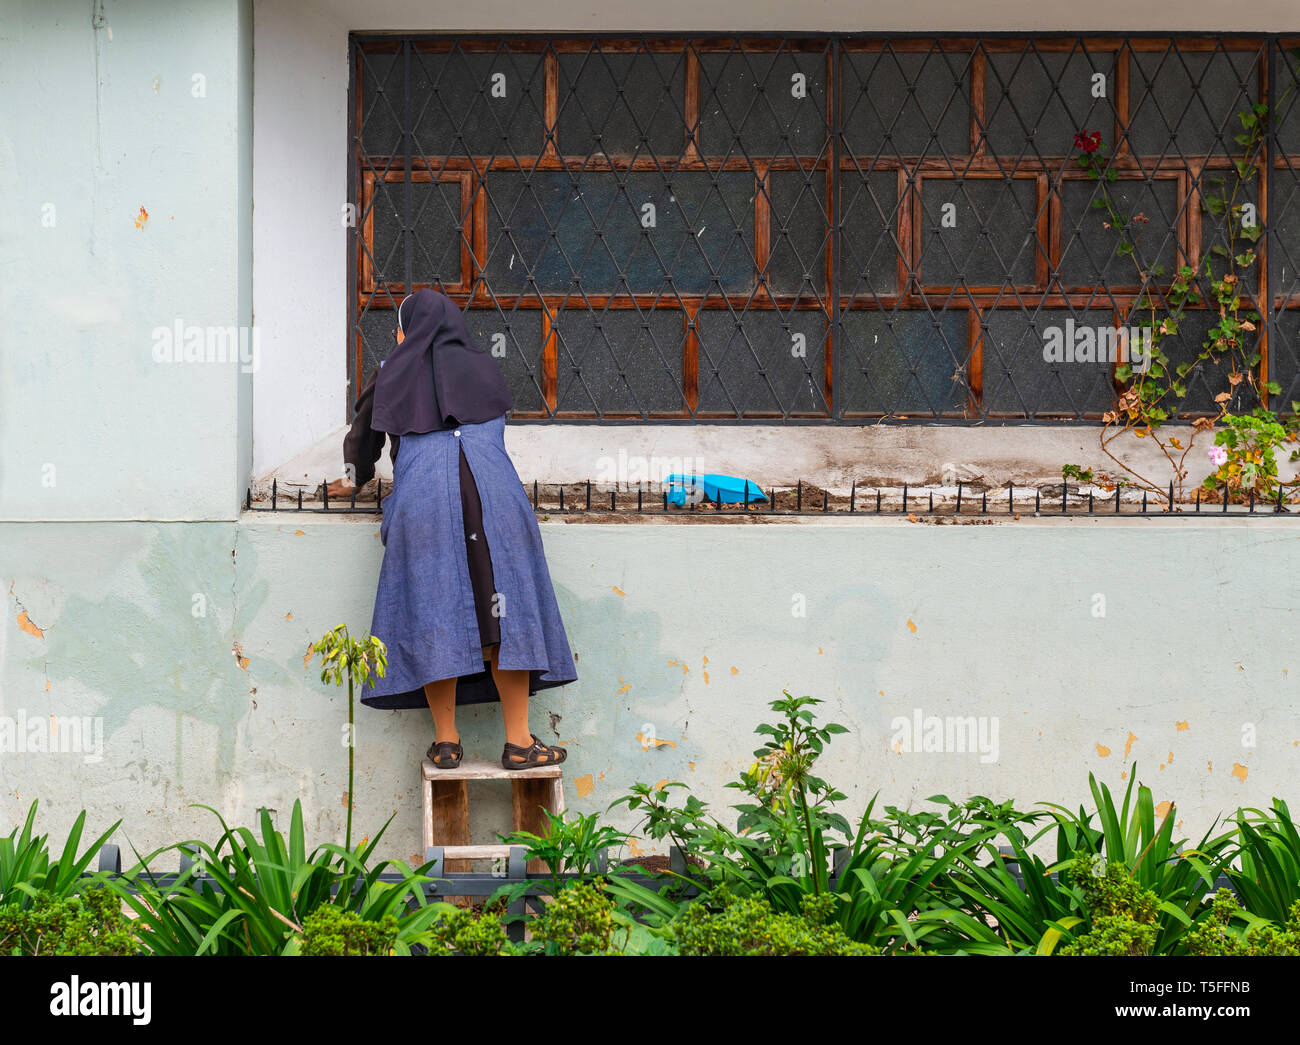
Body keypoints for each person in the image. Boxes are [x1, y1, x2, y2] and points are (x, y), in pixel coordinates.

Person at [329, 289, 577, 770]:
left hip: (426, 508)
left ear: (410, 329)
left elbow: (363, 444)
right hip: (496, 503)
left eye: (400, 327)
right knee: (507, 617)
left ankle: (447, 743)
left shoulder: (391, 371)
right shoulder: (483, 367)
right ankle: (521, 742)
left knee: (433, 612)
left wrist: (353, 478)